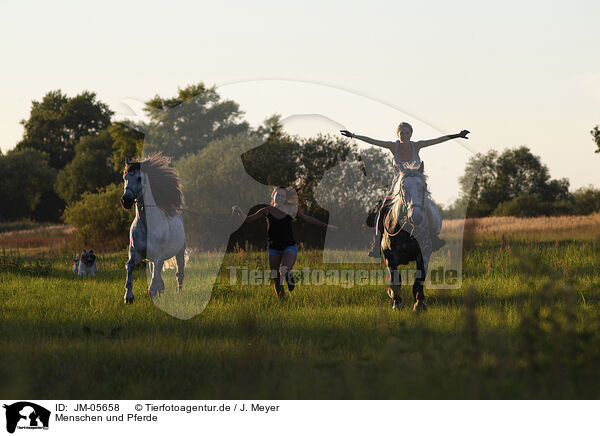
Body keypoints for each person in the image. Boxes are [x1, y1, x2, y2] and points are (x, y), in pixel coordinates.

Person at [340, 123, 469, 257]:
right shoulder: (393, 146)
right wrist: (353, 136)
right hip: (398, 188)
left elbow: (436, 140)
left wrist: (457, 135)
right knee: (382, 211)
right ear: (398, 134)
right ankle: (377, 244)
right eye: (402, 133)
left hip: (416, 188)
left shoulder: (417, 146)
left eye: (407, 133)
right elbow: (373, 141)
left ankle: (433, 238)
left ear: (411, 134)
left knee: (429, 208)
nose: (405, 136)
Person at [235, 186, 338, 300]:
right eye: (278, 195)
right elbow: (248, 220)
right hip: (273, 248)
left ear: (285, 198)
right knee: (277, 279)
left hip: (289, 246)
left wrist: (326, 226)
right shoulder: (267, 210)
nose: (280, 197)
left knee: (283, 269)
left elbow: (308, 219)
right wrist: (240, 212)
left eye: (282, 196)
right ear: (273, 195)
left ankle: (289, 275)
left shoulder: (291, 210)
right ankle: (282, 302)